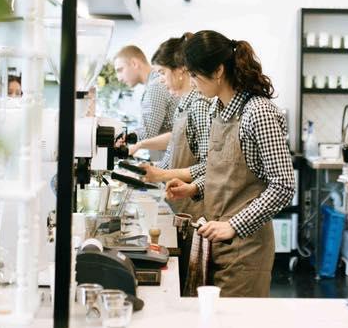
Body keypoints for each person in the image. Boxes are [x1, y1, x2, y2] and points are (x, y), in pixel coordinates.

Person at [165, 31, 294, 297]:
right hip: (218, 241)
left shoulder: (258, 112)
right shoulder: (218, 109)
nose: (192, 83)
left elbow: (283, 185)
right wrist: (194, 188)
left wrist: (234, 225)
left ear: (219, 71)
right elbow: (223, 170)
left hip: (246, 250)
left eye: (195, 75)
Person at [138, 35, 211, 216]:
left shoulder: (199, 106)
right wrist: (152, 169)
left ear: (180, 70)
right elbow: (175, 149)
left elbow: (210, 165)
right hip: (181, 204)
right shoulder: (184, 104)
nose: (161, 80)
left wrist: (161, 175)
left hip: (195, 206)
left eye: (162, 72)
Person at [113, 45, 177, 161]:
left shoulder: (155, 86)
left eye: (120, 70)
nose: (119, 78)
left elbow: (147, 134)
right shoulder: (154, 83)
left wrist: (120, 137)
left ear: (134, 63)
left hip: (172, 164)